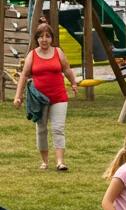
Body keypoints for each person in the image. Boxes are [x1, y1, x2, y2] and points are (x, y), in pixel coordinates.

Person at [13, 23, 78, 171]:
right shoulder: (32, 55)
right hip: (39, 99)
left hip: (59, 97)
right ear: (37, 39)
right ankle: (45, 161)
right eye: (41, 36)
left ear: (51, 39)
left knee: (58, 128)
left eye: (47, 36)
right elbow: (24, 76)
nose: (44, 39)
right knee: (41, 129)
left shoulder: (58, 52)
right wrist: (18, 96)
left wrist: (74, 83)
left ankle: (60, 162)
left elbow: (67, 69)